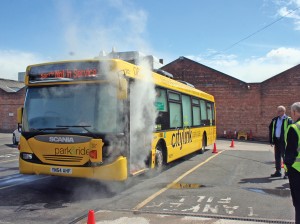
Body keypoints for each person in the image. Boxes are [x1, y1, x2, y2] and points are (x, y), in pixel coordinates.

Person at [285, 102, 300, 223]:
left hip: (296, 170)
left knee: (298, 203)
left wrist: (287, 167)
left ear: (295, 112)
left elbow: (290, 152)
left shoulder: (294, 127)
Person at [269, 106, 292, 178]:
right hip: (277, 140)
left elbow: (291, 131)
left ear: (283, 111)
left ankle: (287, 172)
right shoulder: (275, 120)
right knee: (277, 157)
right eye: (277, 111)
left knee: (285, 157)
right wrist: (271, 140)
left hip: (284, 141)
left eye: (279, 111)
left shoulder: (288, 120)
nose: (278, 112)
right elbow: (271, 130)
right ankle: (278, 171)